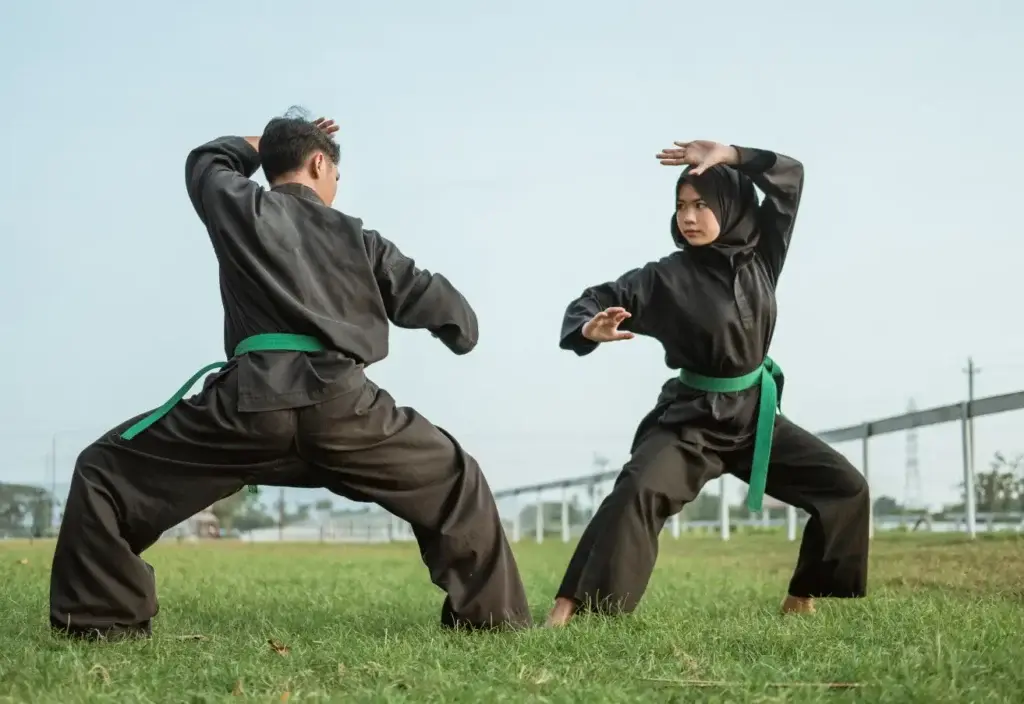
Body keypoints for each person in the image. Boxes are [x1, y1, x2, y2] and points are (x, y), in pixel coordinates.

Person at [48, 109, 532, 640]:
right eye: (335, 177)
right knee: (456, 478)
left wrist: (269, 140)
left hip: (246, 407)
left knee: (102, 472)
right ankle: (491, 623)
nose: (335, 190)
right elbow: (453, 316)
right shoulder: (362, 241)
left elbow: (207, 159)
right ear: (320, 163)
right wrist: (458, 329)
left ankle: (100, 622)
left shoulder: (239, 205)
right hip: (347, 411)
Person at [545, 140, 870, 627]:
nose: (688, 217)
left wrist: (733, 154)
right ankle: (571, 607)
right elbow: (594, 298)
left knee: (846, 488)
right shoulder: (664, 278)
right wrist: (589, 327)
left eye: (701, 205)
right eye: (680, 206)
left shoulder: (763, 255)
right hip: (692, 422)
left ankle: (803, 595)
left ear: (730, 206)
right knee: (636, 490)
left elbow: (790, 178)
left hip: (755, 416)